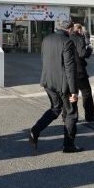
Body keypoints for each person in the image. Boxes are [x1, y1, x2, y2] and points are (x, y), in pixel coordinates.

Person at [28, 18, 82, 153]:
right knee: (71, 113)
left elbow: (43, 59)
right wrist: (74, 91)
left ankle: (35, 130)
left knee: (55, 108)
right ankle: (69, 145)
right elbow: (70, 68)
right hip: (63, 84)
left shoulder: (46, 39)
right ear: (70, 29)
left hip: (47, 81)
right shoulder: (67, 42)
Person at [70, 24, 94, 122]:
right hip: (79, 70)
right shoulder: (78, 38)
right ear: (79, 30)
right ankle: (89, 115)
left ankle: (72, 117)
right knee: (86, 92)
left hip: (69, 70)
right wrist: (89, 48)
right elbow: (83, 53)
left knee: (72, 93)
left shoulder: (68, 37)